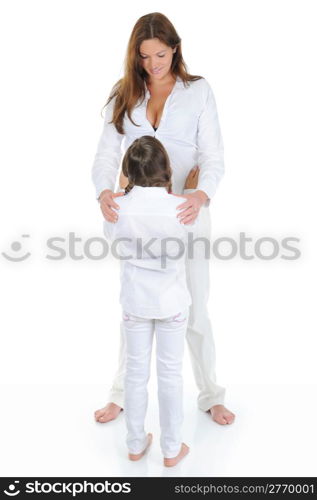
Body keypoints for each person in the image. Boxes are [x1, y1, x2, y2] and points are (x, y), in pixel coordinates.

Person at [92, 12, 235, 426]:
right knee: (135, 304)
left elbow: (213, 155)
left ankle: (210, 394)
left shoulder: (198, 91)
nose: (154, 64)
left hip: (187, 214)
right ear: (135, 57)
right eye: (145, 56)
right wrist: (104, 190)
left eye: (160, 54)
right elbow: (105, 154)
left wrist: (201, 194)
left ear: (175, 48)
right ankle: (120, 393)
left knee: (193, 307)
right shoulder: (126, 93)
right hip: (139, 216)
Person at [103, 135, 194, 466]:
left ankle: (135, 443)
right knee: (171, 374)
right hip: (172, 304)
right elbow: (189, 235)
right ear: (167, 169)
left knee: (135, 374)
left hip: (135, 304)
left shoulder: (117, 208)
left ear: (127, 171)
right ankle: (172, 450)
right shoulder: (182, 208)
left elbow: (111, 238)